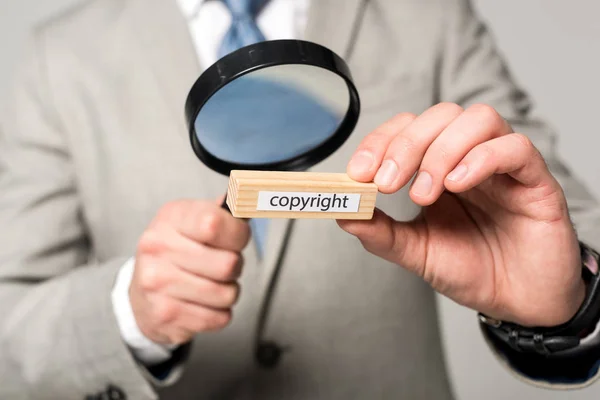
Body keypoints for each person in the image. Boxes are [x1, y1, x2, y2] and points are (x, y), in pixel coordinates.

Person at [1, 0, 599, 399]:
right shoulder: (63, 56)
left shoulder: (429, 15)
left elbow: (559, 217)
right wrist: (129, 313)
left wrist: (567, 302)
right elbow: (10, 319)